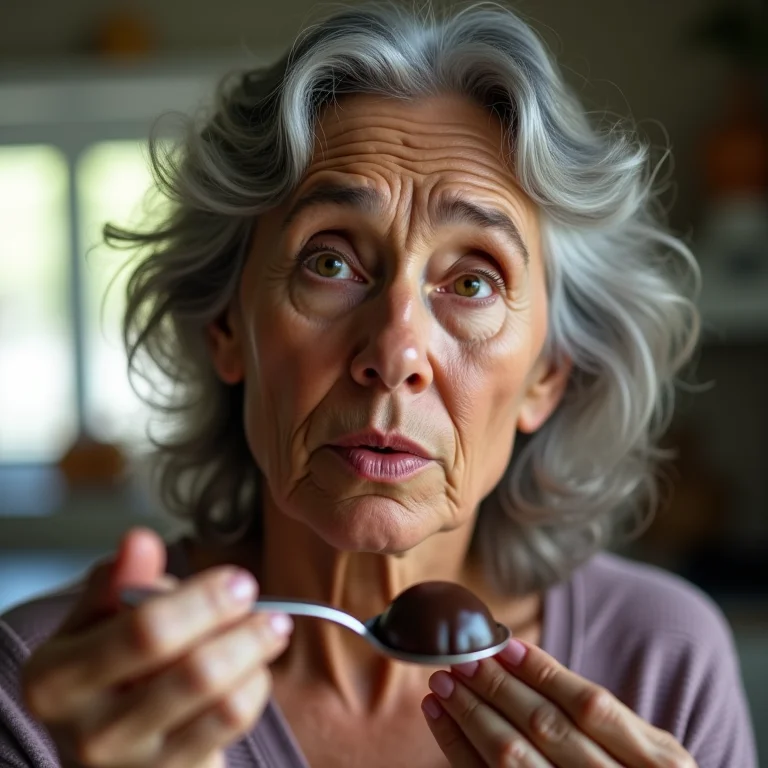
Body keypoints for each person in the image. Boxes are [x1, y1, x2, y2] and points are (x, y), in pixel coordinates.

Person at [0, 4, 758, 767]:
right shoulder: (50, 693)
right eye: (329, 263)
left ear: (548, 374)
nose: (396, 351)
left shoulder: (665, 662)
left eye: (472, 280)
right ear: (225, 327)